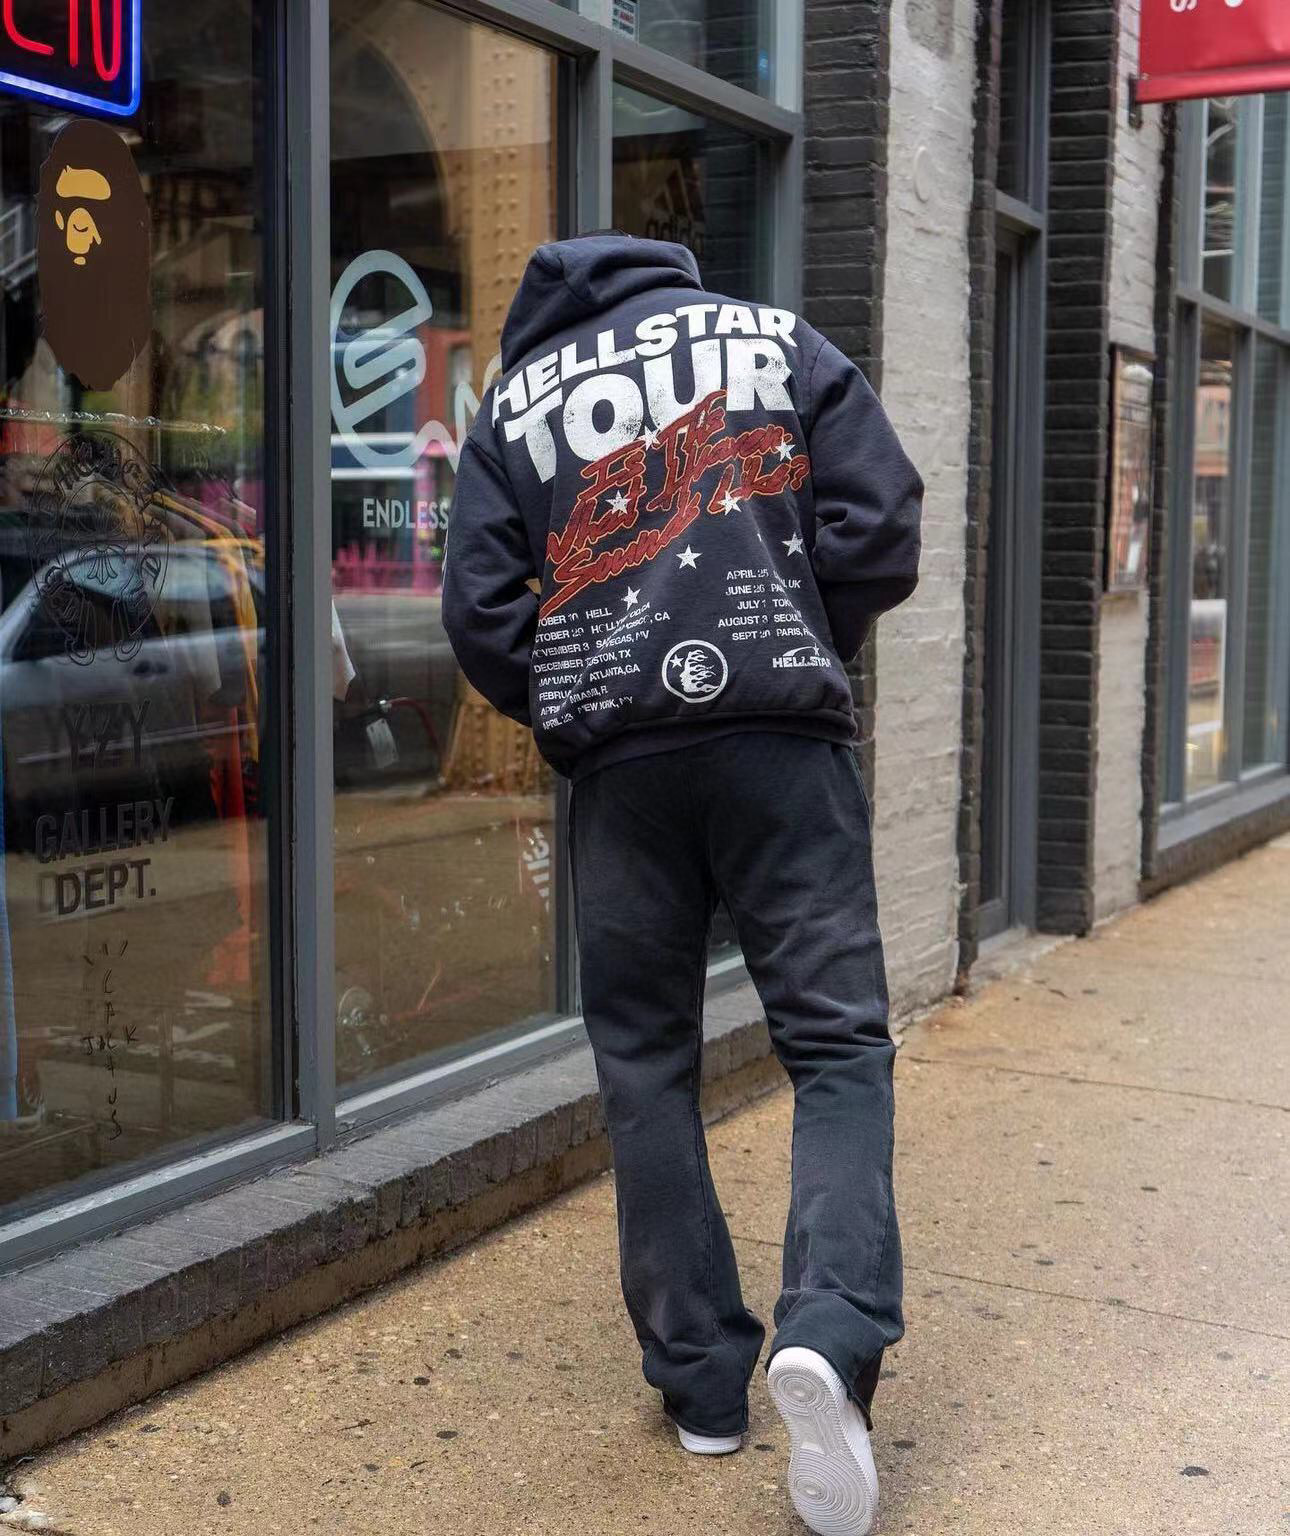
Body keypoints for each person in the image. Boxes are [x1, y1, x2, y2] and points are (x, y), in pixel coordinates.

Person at [441, 233, 922, 1536]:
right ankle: (828, 1332)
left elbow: (482, 615)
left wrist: (576, 696)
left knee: (646, 1065)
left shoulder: (517, 403)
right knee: (835, 1048)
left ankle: (703, 1386)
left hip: (624, 772)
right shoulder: (775, 341)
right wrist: (803, 637)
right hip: (782, 749)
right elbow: (878, 521)